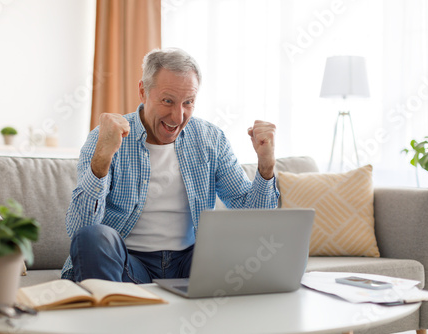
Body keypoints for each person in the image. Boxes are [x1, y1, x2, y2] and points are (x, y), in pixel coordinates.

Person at [61, 48, 279, 283]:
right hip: (129, 265)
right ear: (143, 92)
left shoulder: (210, 139)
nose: (177, 116)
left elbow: (253, 218)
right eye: (168, 101)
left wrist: (266, 167)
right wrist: (102, 158)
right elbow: (80, 230)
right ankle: (115, 307)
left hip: (193, 263)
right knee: (93, 237)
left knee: (244, 242)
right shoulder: (104, 137)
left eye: (188, 102)